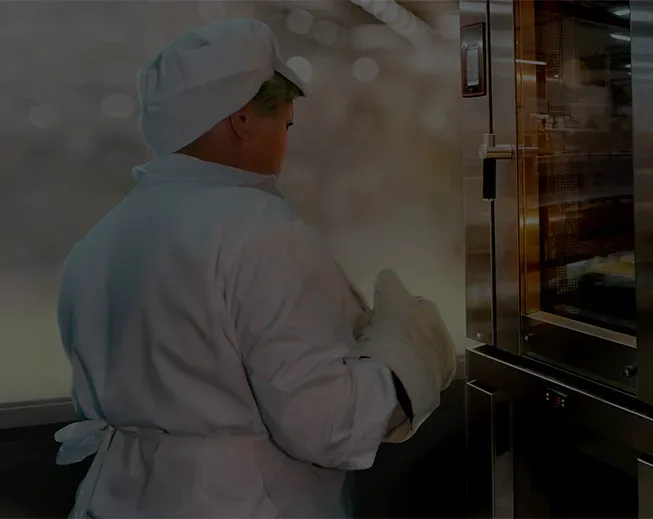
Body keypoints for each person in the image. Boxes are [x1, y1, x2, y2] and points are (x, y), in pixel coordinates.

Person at [53, 18, 456, 518]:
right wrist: (408, 352)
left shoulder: (100, 240)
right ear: (242, 121)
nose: (285, 146)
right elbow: (326, 424)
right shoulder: (262, 233)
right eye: (285, 125)